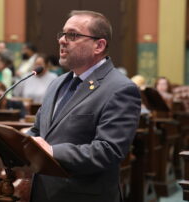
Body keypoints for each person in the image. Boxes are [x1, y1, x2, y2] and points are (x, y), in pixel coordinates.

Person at [27, 10, 141, 202]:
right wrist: (16, 142)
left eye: (72, 35)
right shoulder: (57, 83)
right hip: (43, 192)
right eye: (62, 34)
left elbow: (108, 151)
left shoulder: (121, 88)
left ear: (99, 45)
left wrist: (53, 151)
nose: (62, 40)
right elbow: (40, 131)